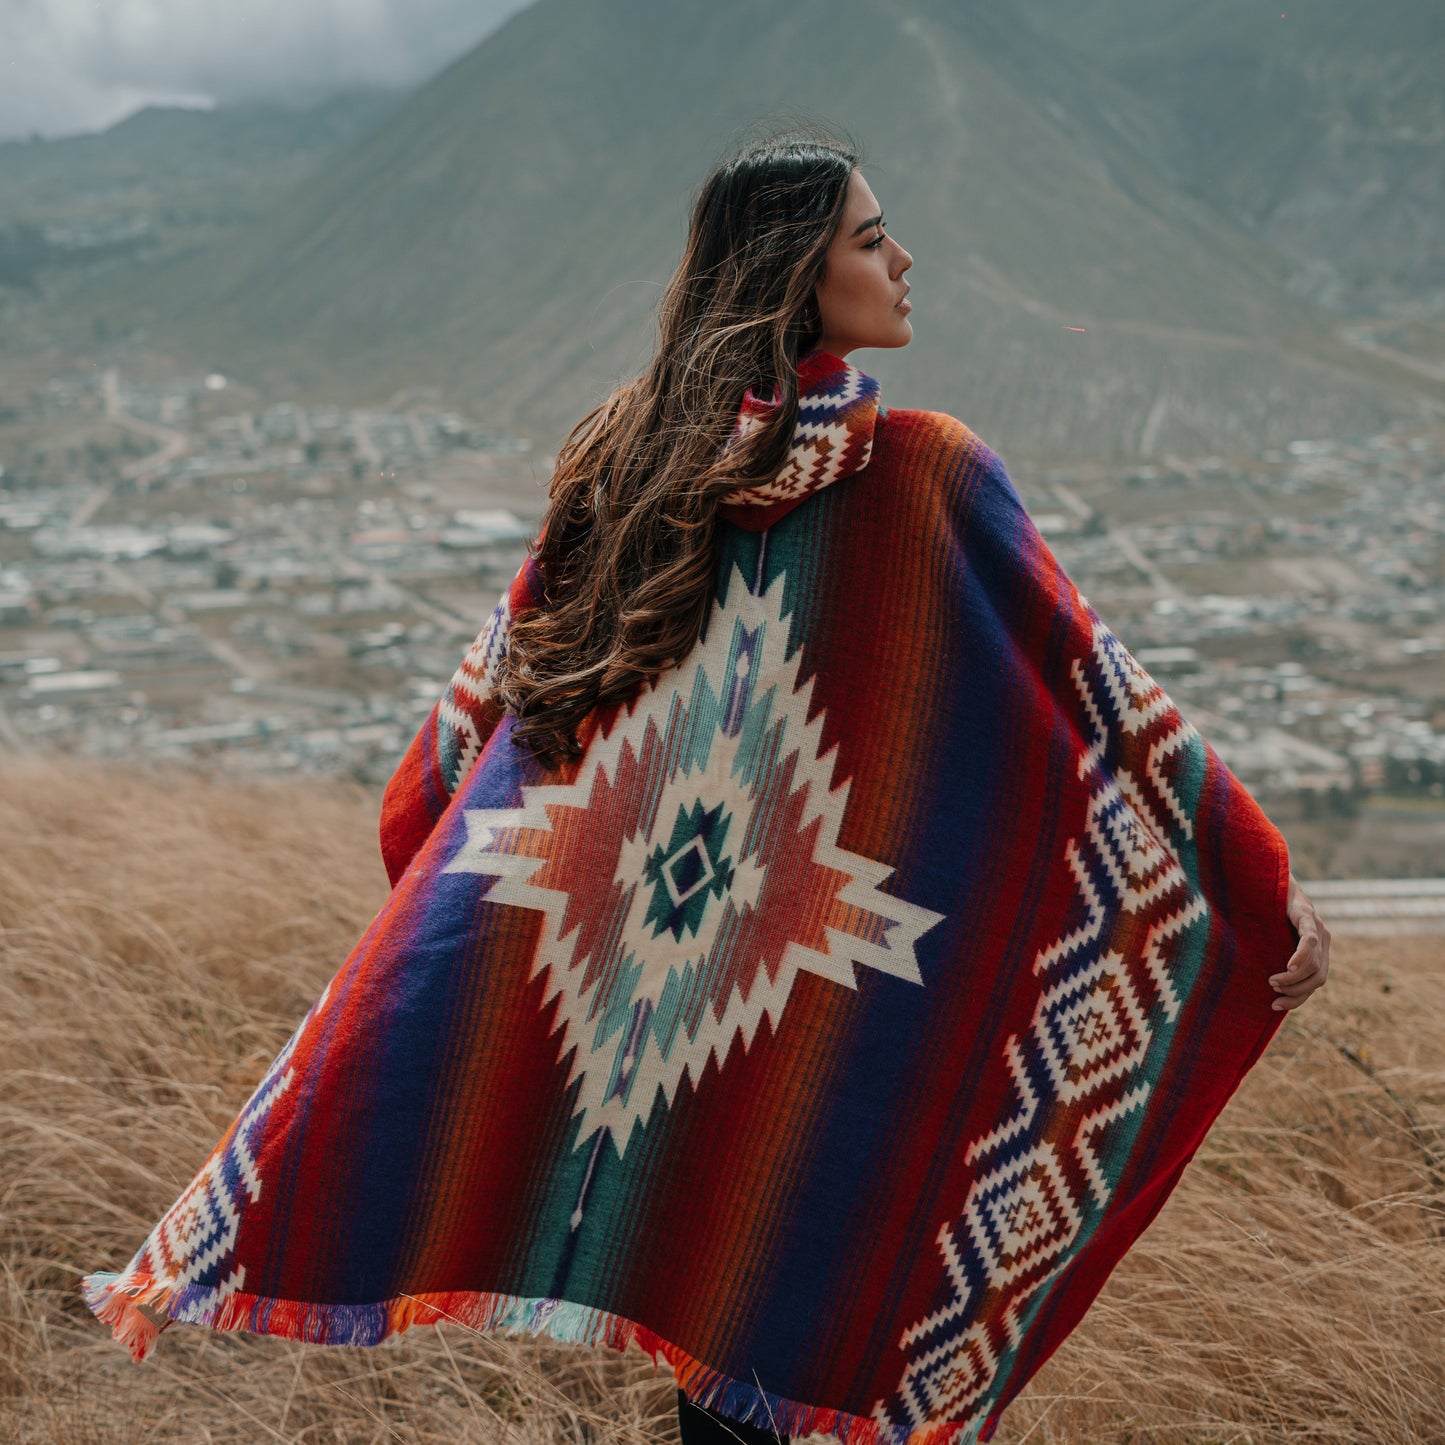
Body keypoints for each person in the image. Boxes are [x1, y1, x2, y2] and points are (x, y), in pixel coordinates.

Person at [84, 126, 1331, 1445]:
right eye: (867, 237)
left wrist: (490, 922)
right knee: (772, 1318)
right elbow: (1104, 709)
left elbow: (463, 755)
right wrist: (1253, 883)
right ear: (798, 272)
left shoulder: (621, 472)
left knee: (709, 1369)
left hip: (648, 1005)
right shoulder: (921, 476)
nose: (902, 259)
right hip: (813, 1005)